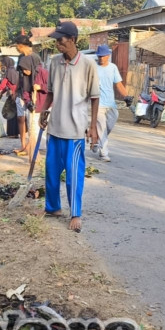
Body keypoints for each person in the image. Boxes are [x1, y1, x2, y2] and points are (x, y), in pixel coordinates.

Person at [39, 21, 99, 233]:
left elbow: (94, 97)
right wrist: (44, 111)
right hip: (55, 127)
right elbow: (51, 92)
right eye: (56, 41)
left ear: (73, 40)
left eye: (61, 40)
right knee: (51, 172)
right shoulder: (54, 62)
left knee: (74, 175)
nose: (57, 45)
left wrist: (93, 127)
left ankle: (75, 213)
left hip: (75, 131)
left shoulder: (89, 65)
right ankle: (53, 207)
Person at [94, 44, 128, 163]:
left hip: (110, 103)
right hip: (97, 104)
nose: (101, 58)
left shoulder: (113, 67)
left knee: (110, 124)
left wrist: (126, 96)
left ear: (108, 56)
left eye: (103, 56)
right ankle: (104, 153)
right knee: (102, 126)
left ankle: (97, 141)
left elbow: (118, 84)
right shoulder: (93, 67)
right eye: (99, 56)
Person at [14, 35, 41, 156]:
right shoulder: (20, 57)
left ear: (21, 45)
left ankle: (31, 146)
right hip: (21, 91)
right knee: (21, 118)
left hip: (32, 93)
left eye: (16, 45)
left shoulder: (36, 58)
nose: (16, 48)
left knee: (32, 121)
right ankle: (23, 145)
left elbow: (37, 74)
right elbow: (20, 75)